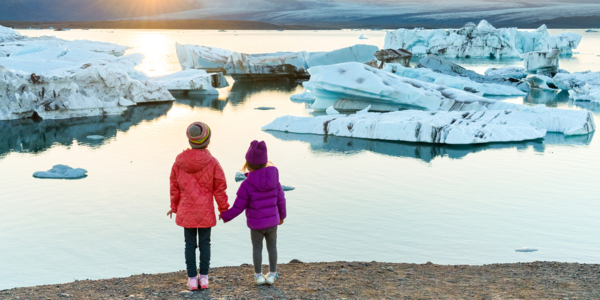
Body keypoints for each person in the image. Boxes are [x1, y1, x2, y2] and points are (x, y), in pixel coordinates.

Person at [168, 122, 229, 291]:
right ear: (207, 141)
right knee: (205, 244)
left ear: (190, 141)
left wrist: (174, 207)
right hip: (205, 211)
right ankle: (203, 279)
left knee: (189, 244)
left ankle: (192, 280)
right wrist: (223, 209)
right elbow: (220, 187)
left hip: (186, 210)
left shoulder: (178, 162)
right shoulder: (213, 162)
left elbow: (174, 187)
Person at [221, 140, 287, 286]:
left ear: (248, 164)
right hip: (272, 222)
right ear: (265, 162)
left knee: (257, 248)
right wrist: (282, 216)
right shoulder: (274, 180)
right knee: (272, 247)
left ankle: (258, 275)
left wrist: (225, 216)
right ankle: (272, 274)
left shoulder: (246, 184)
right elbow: (281, 200)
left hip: (256, 224)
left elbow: (239, 207)